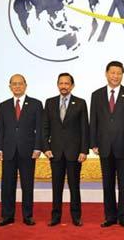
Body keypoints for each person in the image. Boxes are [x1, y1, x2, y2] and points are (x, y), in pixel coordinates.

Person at [90, 61, 124, 228]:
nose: (115, 76)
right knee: (108, 184)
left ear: (122, 75)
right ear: (106, 73)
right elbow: (94, 121)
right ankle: (110, 216)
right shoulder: (96, 95)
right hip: (104, 146)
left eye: (118, 73)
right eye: (112, 72)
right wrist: (93, 143)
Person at [0, 74, 43, 226]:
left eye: (20, 83)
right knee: (7, 184)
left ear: (25, 85)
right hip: (8, 150)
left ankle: (27, 216)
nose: (17, 86)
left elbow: (39, 129)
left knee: (27, 185)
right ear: (10, 87)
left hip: (28, 151)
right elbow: (0, 129)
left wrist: (37, 147)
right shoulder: (3, 105)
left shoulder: (36, 104)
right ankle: (7, 215)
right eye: (14, 84)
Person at [43, 73, 89, 227]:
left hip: (74, 153)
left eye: (67, 83)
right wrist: (46, 148)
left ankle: (76, 216)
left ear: (72, 86)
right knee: (56, 186)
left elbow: (84, 129)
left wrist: (84, 150)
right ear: (57, 85)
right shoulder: (49, 103)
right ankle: (55, 216)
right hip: (54, 152)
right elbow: (45, 128)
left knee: (74, 186)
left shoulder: (80, 103)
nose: (64, 86)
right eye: (61, 83)